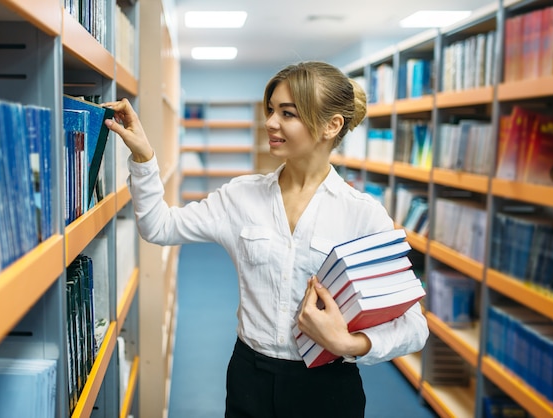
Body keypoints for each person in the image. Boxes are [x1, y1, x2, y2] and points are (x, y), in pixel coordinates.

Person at [103, 61, 428, 418]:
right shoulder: (241, 197)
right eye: (271, 110)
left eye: (287, 113)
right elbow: (159, 226)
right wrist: (143, 156)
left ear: (331, 126)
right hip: (249, 378)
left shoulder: (363, 215)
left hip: (328, 387)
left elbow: (413, 326)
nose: (270, 122)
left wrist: (349, 343)